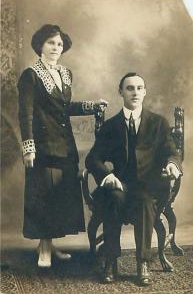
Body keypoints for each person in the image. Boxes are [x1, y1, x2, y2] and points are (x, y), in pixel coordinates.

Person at [18, 24, 108, 268]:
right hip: (43, 147)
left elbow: (64, 109)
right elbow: (25, 114)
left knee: (59, 196)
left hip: (65, 145)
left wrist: (91, 106)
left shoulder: (65, 73)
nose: (56, 47)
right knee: (44, 196)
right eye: (51, 43)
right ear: (40, 45)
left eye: (59, 44)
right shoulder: (31, 75)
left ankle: (50, 244)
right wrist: (28, 147)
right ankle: (44, 249)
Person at [85, 72, 182, 285]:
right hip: (121, 185)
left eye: (139, 88)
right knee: (112, 198)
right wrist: (107, 176)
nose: (135, 92)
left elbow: (171, 152)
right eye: (129, 88)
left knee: (146, 201)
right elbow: (93, 159)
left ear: (145, 92)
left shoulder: (158, 123)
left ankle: (142, 263)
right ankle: (110, 261)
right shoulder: (111, 126)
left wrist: (172, 164)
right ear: (121, 92)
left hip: (148, 186)